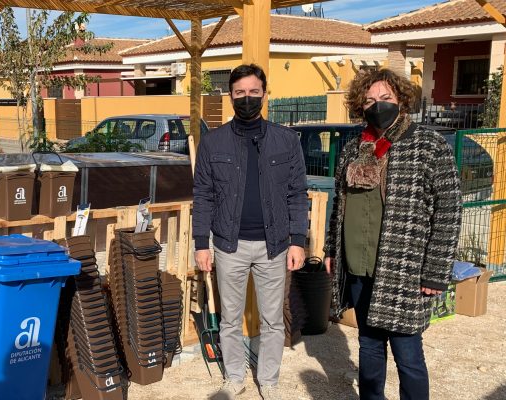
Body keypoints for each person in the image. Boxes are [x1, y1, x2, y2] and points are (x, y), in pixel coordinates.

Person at [324, 68, 462, 400]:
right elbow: (338, 206)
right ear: (360, 106)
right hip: (358, 266)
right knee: (369, 346)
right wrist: (332, 250)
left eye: (385, 98)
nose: (378, 105)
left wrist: (436, 272)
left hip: (404, 271)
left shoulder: (427, 144)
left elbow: (449, 211)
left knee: (408, 354)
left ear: (401, 99)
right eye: (369, 100)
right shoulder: (354, 148)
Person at [193, 64, 308, 400]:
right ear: (230, 96)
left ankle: (268, 381)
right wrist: (202, 244)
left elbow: (297, 193)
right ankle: (234, 378)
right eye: (240, 93)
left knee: (272, 320)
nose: (247, 99)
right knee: (230, 319)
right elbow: (203, 195)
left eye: (253, 92)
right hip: (230, 245)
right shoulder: (214, 143)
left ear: (264, 94)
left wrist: (298, 241)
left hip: (274, 246)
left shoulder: (286, 141)